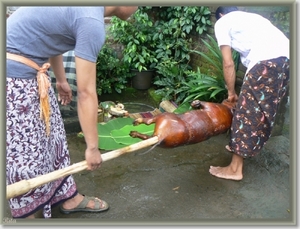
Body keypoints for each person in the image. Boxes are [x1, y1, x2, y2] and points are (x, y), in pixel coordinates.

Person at [6, 6, 138, 219]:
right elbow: (86, 93)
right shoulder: (91, 20)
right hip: (13, 80)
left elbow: (52, 37)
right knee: (26, 155)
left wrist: (60, 80)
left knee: (54, 140)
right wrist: (93, 147)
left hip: (32, 71)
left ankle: (67, 197)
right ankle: (26, 217)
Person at [209, 6, 289, 181]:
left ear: (221, 15)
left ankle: (235, 169)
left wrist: (231, 92)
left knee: (247, 114)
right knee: (263, 112)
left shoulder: (223, 21)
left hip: (266, 63)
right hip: (287, 62)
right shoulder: (253, 19)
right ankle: (242, 147)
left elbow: (228, 63)